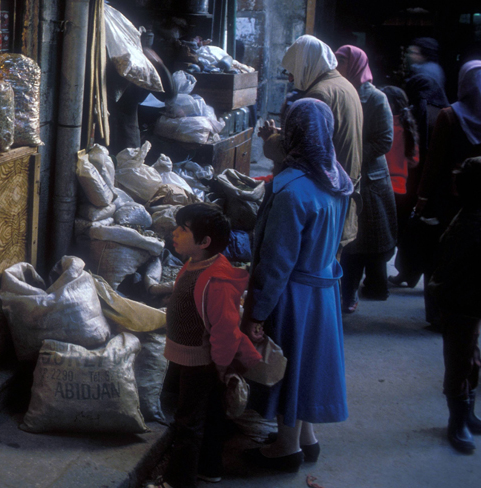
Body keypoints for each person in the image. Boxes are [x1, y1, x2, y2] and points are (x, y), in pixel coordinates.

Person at [242, 98, 353, 472]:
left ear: (294, 132)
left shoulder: (290, 190)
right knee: (306, 365)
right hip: (323, 289)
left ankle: (285, 448)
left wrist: (257, 311)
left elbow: (276, 262)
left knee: (286, 364)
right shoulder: (338, 179)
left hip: (292, 294)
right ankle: (306, 438)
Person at [153, 203, 261, 488]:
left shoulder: (216, 281)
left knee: (188, 422)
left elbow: (225, 330)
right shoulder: (195, 264)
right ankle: (209, 468)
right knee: (209, 416)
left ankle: (178, 481)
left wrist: (222, 367)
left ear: (204, 242)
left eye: (182, 229)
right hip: (191, 358)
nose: (174, 233)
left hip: (201, 362)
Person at [262, 35, 362, 247]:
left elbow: (303, 154)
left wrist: (271, 138)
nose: (290, 79)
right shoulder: (344, 85)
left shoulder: (319, 94)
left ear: (307, 64)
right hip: (339, 191)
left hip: (323, 195)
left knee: (312, 266)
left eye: (293, 72)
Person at [416, 60, 481, 327]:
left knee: (441, 252)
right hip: (478, 201)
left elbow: (434, 162)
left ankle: (438, 312)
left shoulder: (449, 115)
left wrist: (422, 198)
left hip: (448, 199)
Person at [334, 46, 397, 312]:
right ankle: (348, 294)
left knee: (369, 240)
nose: (338, 67)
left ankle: (365, 289)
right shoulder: (340, 92)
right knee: (350, 244)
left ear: (357, 65)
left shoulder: (376, 98)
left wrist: (355, 154)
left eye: (343, 62)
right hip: (346, 173)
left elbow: (385, 140)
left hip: (370, 180)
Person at [426, 156, 481, 454]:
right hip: (461, 302)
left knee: (468, 358)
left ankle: (465, 415)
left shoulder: (471, 219)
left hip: (466, 302)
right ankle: (457, 420)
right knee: (461, 361)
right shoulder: (469, 221)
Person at [381, 86, 422, 288]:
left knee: (380, 234)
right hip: (401, 188)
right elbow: (414, 160)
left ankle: (376, 277)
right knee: (395, 234)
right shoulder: (408, 126)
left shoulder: (383, 124)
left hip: (382, 185)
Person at [403, 37, 449, 149]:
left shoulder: (424, 72)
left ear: (424, 55)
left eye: (413, 53)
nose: (409, 56)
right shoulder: (435, 68)